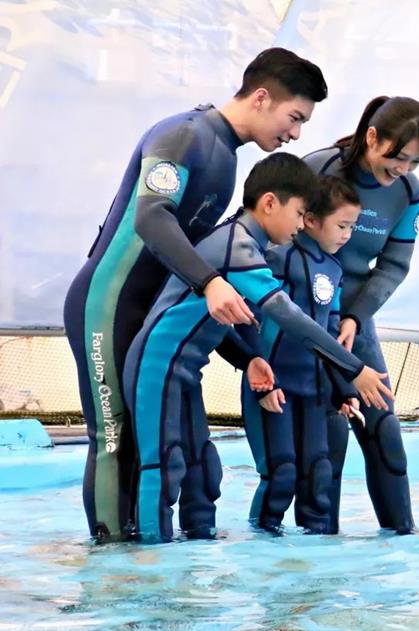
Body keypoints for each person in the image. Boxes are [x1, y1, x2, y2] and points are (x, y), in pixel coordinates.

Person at [63, 47, 328, 542]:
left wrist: (242, 356)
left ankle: (139, 563)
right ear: (263, 97)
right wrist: (209, 281)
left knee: (158, 447)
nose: (295, 134)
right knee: (115, 438)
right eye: (294, 118)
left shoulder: (225, 160)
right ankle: (109, 568)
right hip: (108, 303)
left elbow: (189, 282)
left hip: (147, 311)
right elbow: (151, 217)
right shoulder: (185, 135)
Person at [122, 153, 393, 544]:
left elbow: (208, 322)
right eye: (299, 213)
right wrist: (354, 369)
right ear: (269, 203)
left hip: (183, 372)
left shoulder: (245, 243)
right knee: (162, 466)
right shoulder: (238, 246)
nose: (302, 225)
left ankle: (189, 569)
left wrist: (249, 359)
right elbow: (290, 317)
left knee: (203, 472)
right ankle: (152, 569)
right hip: (156, 367)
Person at [303, 96, 419, 534]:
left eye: (414, 162)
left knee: (385, 432)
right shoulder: (319, 171)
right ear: (372, 137)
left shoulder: (407, 192)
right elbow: (278, 245)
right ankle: (322, 549)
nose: (402, 168)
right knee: (330, 434)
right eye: (397, 157)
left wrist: (355, 318)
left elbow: (393, 266)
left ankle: (403, 541)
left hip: (355, 319)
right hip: (305, 317)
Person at [242, 175, 363, 534]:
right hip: (274, 387)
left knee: (318, 474)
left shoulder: (335, 269)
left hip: (315, 390)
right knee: (282, 474)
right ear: (310, 220)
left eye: (352, 227)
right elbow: (251, 320)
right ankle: (263, 550)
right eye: (342, 225)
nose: (347, 235)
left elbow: (329, 335)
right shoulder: (278, 258)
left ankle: (316, 566)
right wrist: (263, 385)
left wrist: (343, 388)